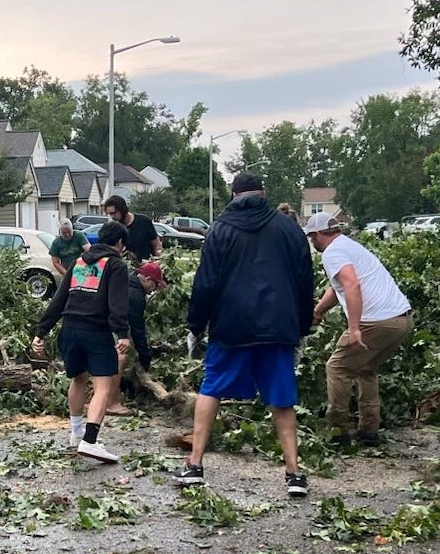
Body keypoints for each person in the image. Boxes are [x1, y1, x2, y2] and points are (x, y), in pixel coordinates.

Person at [175, 172, 315, 496]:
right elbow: (304, 280)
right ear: (263, 193)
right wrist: (302, 325)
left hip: (231, 326)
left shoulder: (220, 230)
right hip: (277, 327)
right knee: (281, 398)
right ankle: (294, 474)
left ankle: (194, 465)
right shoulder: (288, 229)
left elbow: (206, 282)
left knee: (211, 390)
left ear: (233, 194)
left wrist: (195, 326)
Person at [305, 212, 414, 446]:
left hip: (375, 322)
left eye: (312, 238)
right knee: (366, 368)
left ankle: (338, 431)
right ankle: (369, 430)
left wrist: (354, 328)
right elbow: (337, 289)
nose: (313, 244)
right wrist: (318, 312)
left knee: (337, 367)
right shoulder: (349, 246)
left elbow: (351, 284)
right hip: (401, 320)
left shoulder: (333, 252)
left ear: (319, 234)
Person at [32, 221, 131, 463]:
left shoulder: (78, 262)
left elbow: (59, 298)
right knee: (103, 387)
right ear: (119, 243)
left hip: (69, 329)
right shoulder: (115, 265)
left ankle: (76, 434)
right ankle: (90, 441)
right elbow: (117, 304)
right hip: (96, 331)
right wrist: (123, 334)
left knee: (78, 379)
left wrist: (40, 332)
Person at [107, 261, 169, 416]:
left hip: (99, 323)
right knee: (118, 360)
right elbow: (137, 328)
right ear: (147, 279)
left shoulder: (126, 281)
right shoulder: (136, 296)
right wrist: (145, 355)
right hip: (110, 327)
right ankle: (111, 402)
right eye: (155, 284)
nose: (153, 290)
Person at [103, 195, 161, 263]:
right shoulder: (114, 228)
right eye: (110, 214)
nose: (112, 217)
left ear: (122, 209)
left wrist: (159, 261)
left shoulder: (144, 221)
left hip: (147, 268)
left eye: (114, 213)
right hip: (125, 268)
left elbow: (157, 245)